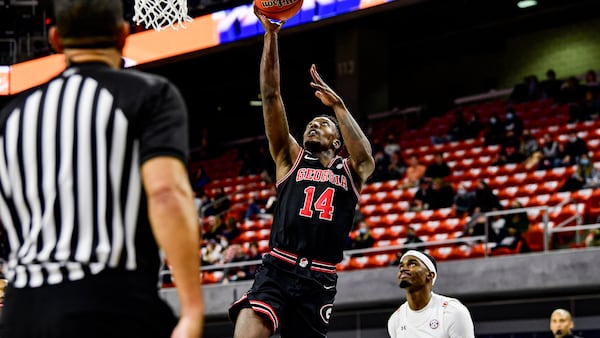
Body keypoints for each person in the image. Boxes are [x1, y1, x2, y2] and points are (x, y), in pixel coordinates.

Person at [0, 1, 204, 337]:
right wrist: (192, 310)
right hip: (110, 301)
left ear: (55, 40)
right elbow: (166, 193)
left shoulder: (12, 116)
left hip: (22, 311)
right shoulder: (150, 95)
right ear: (124, 34)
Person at [228, 8, 375, 338]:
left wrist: (337, 107)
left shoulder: (350, 170)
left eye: (322, 124)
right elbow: (270, 96)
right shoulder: (289, 157)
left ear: (337, 142)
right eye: (311, 122)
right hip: (277, 268)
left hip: (319, 279)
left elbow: (365, 157)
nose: (313, 124)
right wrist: (271, 36)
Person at [387, 250, 475, 338]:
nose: (403, 269)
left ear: (430, 275)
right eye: (401, 266)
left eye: (412, 264)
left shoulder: (452, 311)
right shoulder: (396, 319)